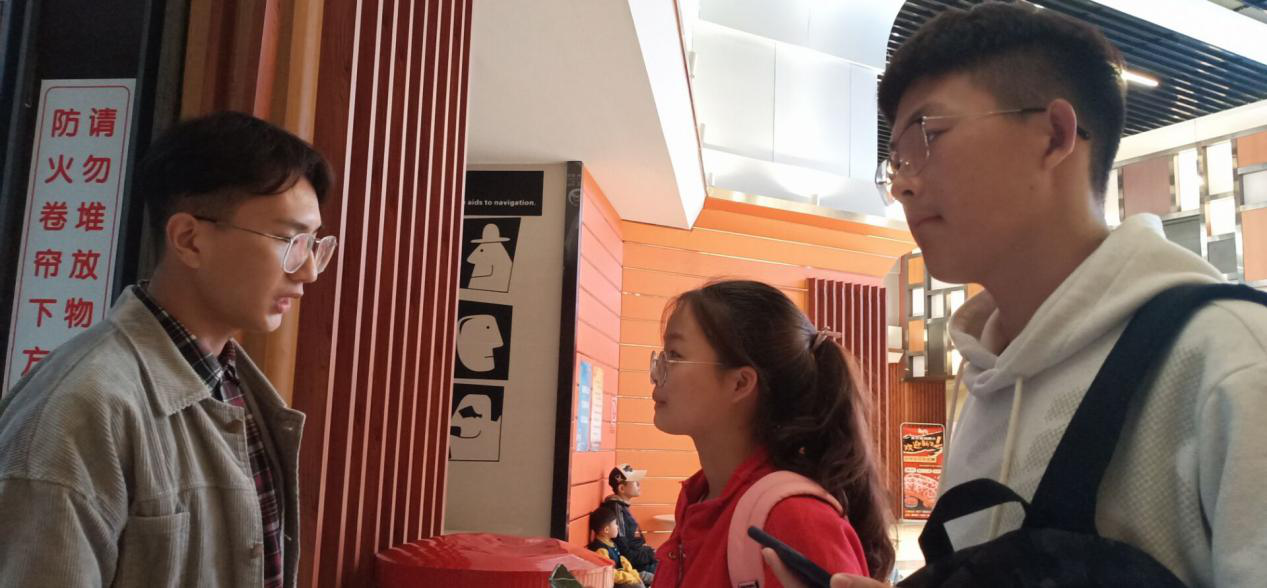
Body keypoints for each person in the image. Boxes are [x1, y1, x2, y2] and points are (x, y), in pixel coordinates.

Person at [773, 2, 1267, 587]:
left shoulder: (1232, 359)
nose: (902, 184)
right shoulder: (983, 379)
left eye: (930, 137)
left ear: (1054, 135)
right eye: (896, 160)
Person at [0, 111, 337, 587]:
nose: (308, 271)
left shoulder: (230, 381)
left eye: (313, 244)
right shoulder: (82, 407)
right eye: (288, 240)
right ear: (188, 239)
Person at [650, 279, 894, 587]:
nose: (656, 372)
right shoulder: (700, 499)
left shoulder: (794, 519)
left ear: (740, 383)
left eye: (674, 354)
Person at [604, 464, 657, 585]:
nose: (639, 484)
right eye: (634, 481)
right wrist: (651, 553)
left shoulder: (621, 507)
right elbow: (626, 554)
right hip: (637, 568)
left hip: (643, 561)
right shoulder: (617, 511)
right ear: (622, 488)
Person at [589, 503, 647, 587]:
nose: (617, 527)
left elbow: (622, 561)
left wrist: (633, 574)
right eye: (616, 524)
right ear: (606, 530)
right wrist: (630, 578)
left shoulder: (610, 542)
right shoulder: (601, 550)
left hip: (623, 576)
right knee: (638, 586)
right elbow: (610, 573)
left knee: (646, 576)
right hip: (614, 582)